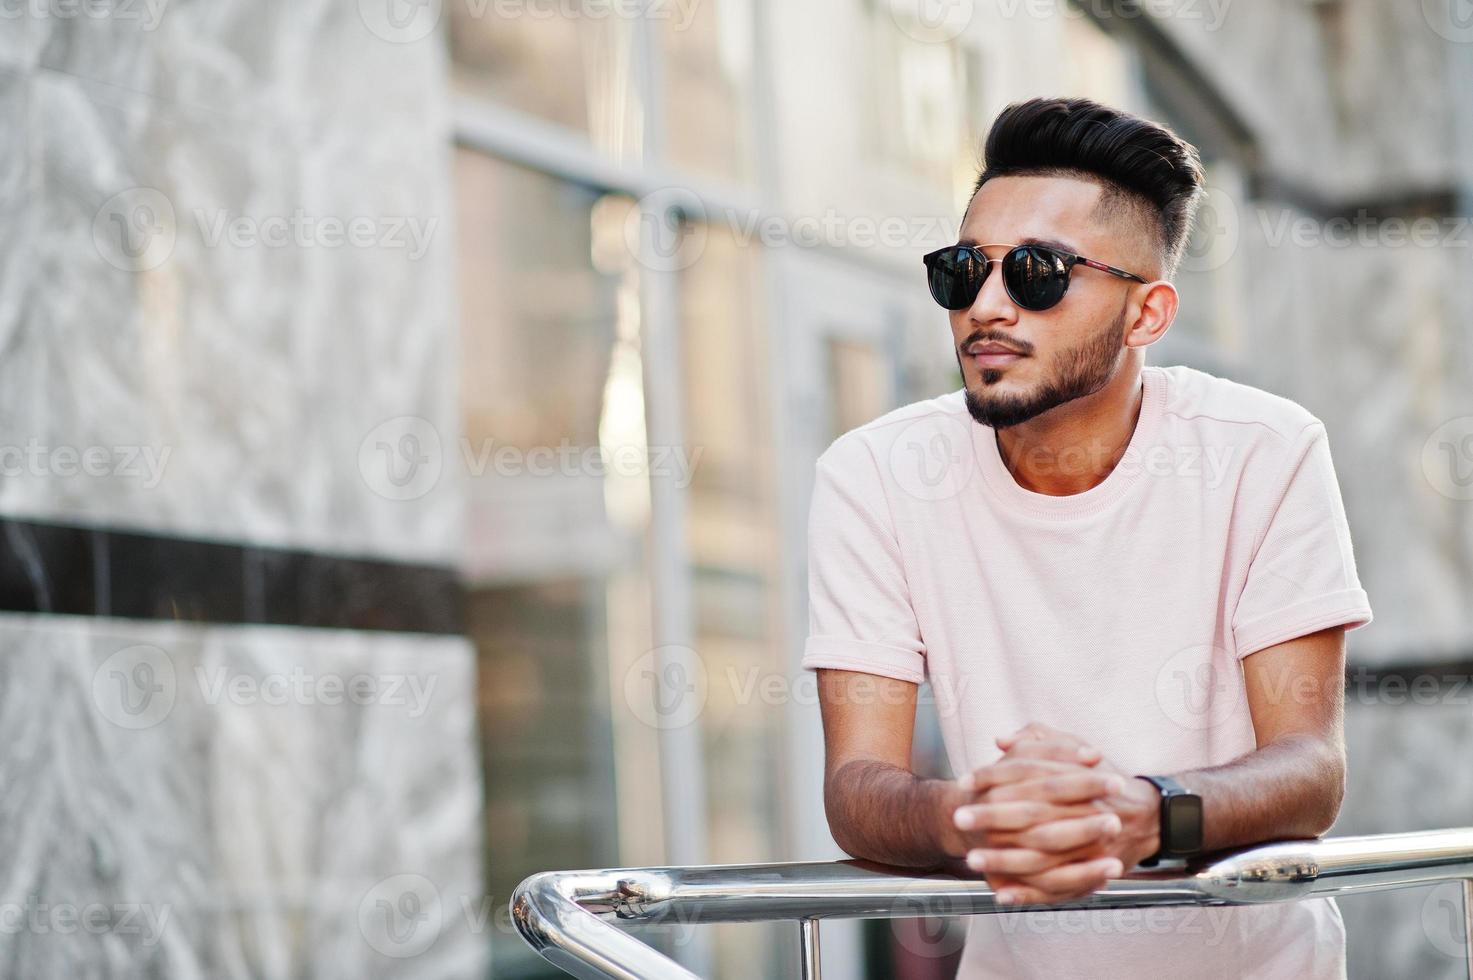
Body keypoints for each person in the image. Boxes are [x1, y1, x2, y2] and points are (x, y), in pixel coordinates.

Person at [803, 96, 1373, 979]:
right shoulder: (874, 474)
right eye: (962, 270)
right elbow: (855, 790)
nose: (985, 306)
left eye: (1036, 272)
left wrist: (1143, 813)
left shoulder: (1263, 449)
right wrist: (978, 817)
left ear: (1146, 314)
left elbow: (1309, 773)